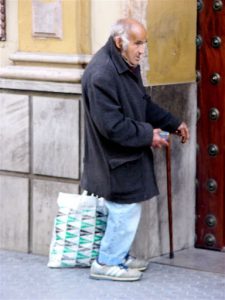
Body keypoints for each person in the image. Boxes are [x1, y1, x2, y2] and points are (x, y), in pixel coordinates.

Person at [81, 18, 189, 281]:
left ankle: (119, 255)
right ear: (120, 43)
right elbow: (112, 126)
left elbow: (143, 103)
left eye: (145, 44)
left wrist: (172, 123)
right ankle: (107, 262)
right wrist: (147, 135)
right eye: (138, 44)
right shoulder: (102, 73)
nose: (142, 50)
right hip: (113, 158)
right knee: (124, 209)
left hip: (126, 155)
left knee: (125, 208)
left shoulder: (126, 65)